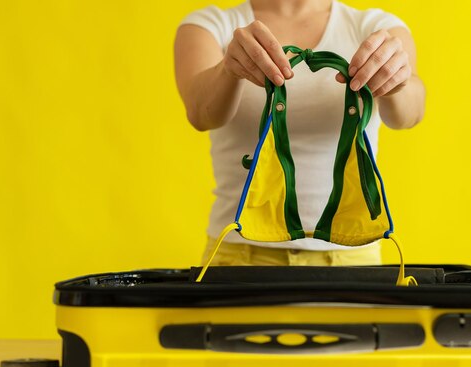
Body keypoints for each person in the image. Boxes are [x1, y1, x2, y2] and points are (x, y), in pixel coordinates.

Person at [174, 0, 425, 267]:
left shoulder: (377, 27)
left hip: (352, 260)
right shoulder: (209, 25)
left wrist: (397, 79)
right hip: (239, 258)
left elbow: (409, 114)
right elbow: (201, 115)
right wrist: (228, 68)